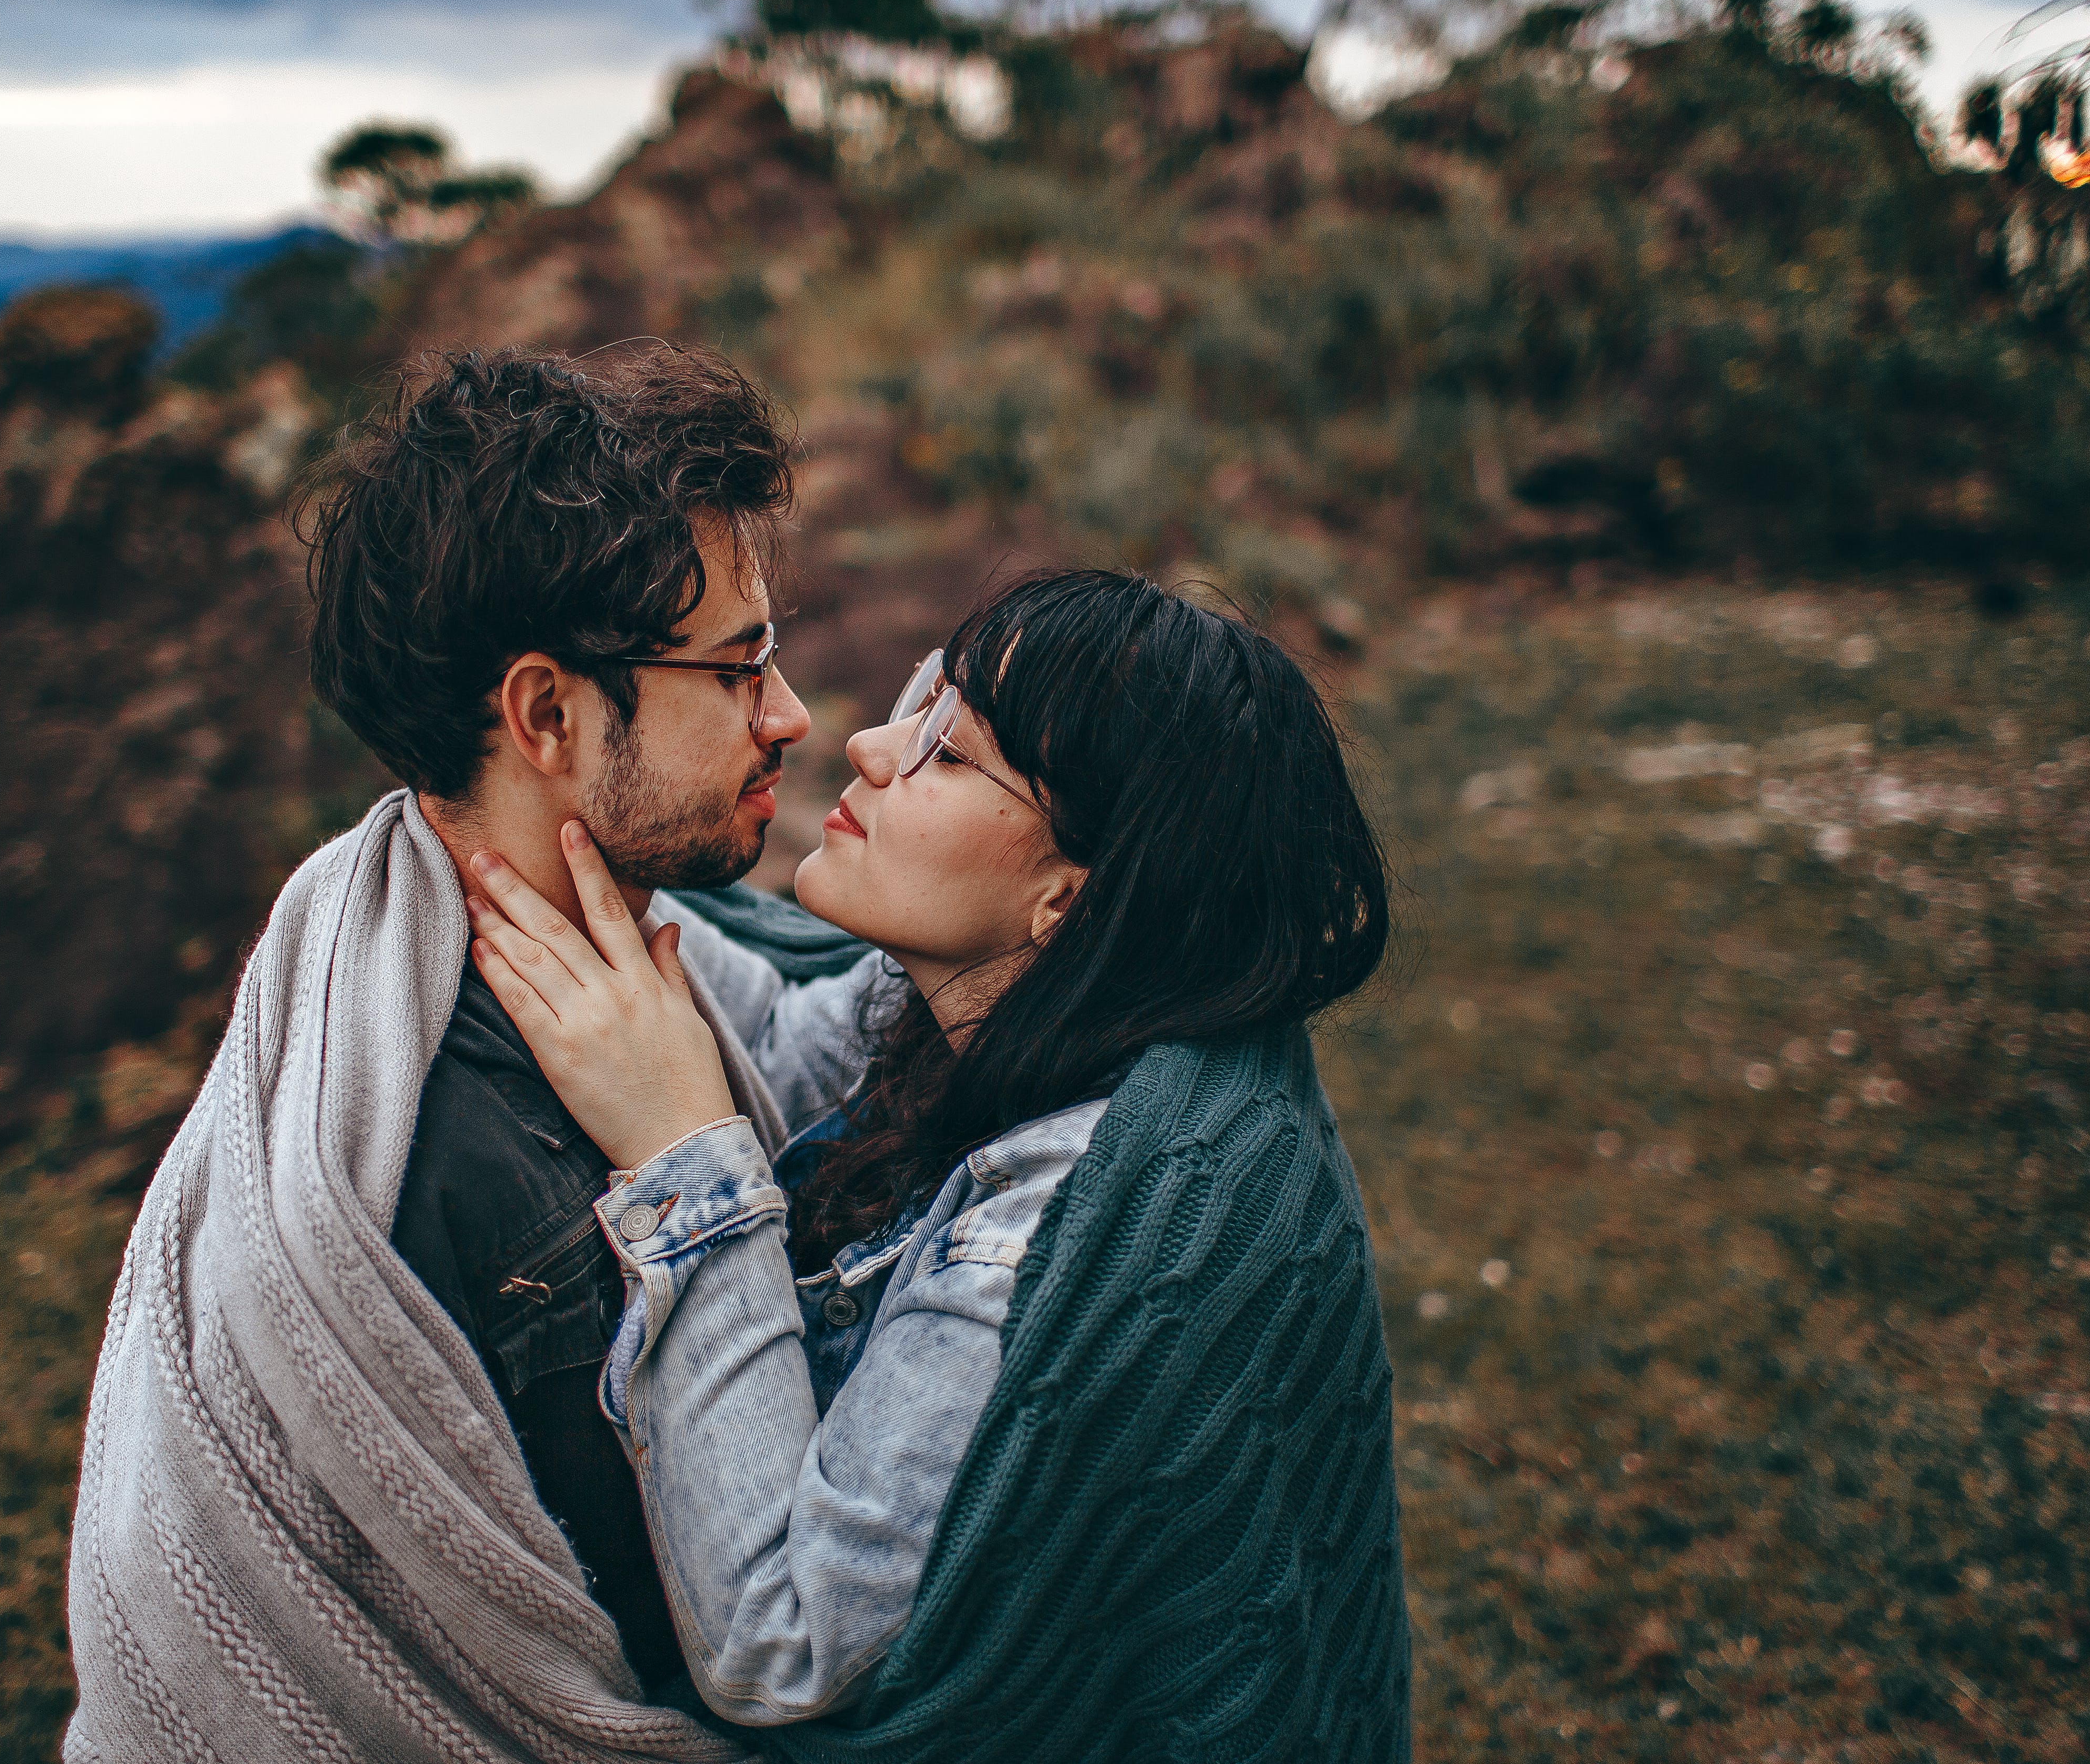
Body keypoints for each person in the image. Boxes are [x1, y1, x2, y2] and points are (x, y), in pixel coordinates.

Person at [63, 345, 885, 1764]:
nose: (790, 716)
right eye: (737, 665)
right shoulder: (492, 1166)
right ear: (547, 716)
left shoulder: (531, 941)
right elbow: (719, 1638)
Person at [463, 569, 1412, 1762]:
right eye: (920, 706)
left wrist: (680, 1156)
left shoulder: (1057, 1231)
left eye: (949, 755)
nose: (867, 745)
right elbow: (759, 1042)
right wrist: (512, 814)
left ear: (1070, 896)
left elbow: (783, 1642)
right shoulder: (995, 1006)